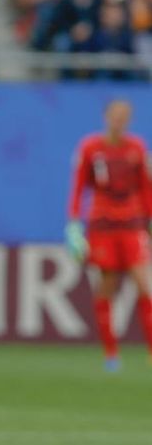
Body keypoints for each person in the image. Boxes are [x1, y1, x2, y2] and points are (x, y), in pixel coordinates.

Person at [66, 99, 152, 370]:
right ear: (106, 117)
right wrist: (74, 223)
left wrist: (149, 221)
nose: (119, 120)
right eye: (115, 115)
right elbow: (79, 186)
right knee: (106, 287)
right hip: (102, 225)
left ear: (129, 120)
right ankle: (111, 353)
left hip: (132, 224)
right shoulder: (90, 148)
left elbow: (146, 188)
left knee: (144, 284)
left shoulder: (137, 148)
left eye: (124, 116)